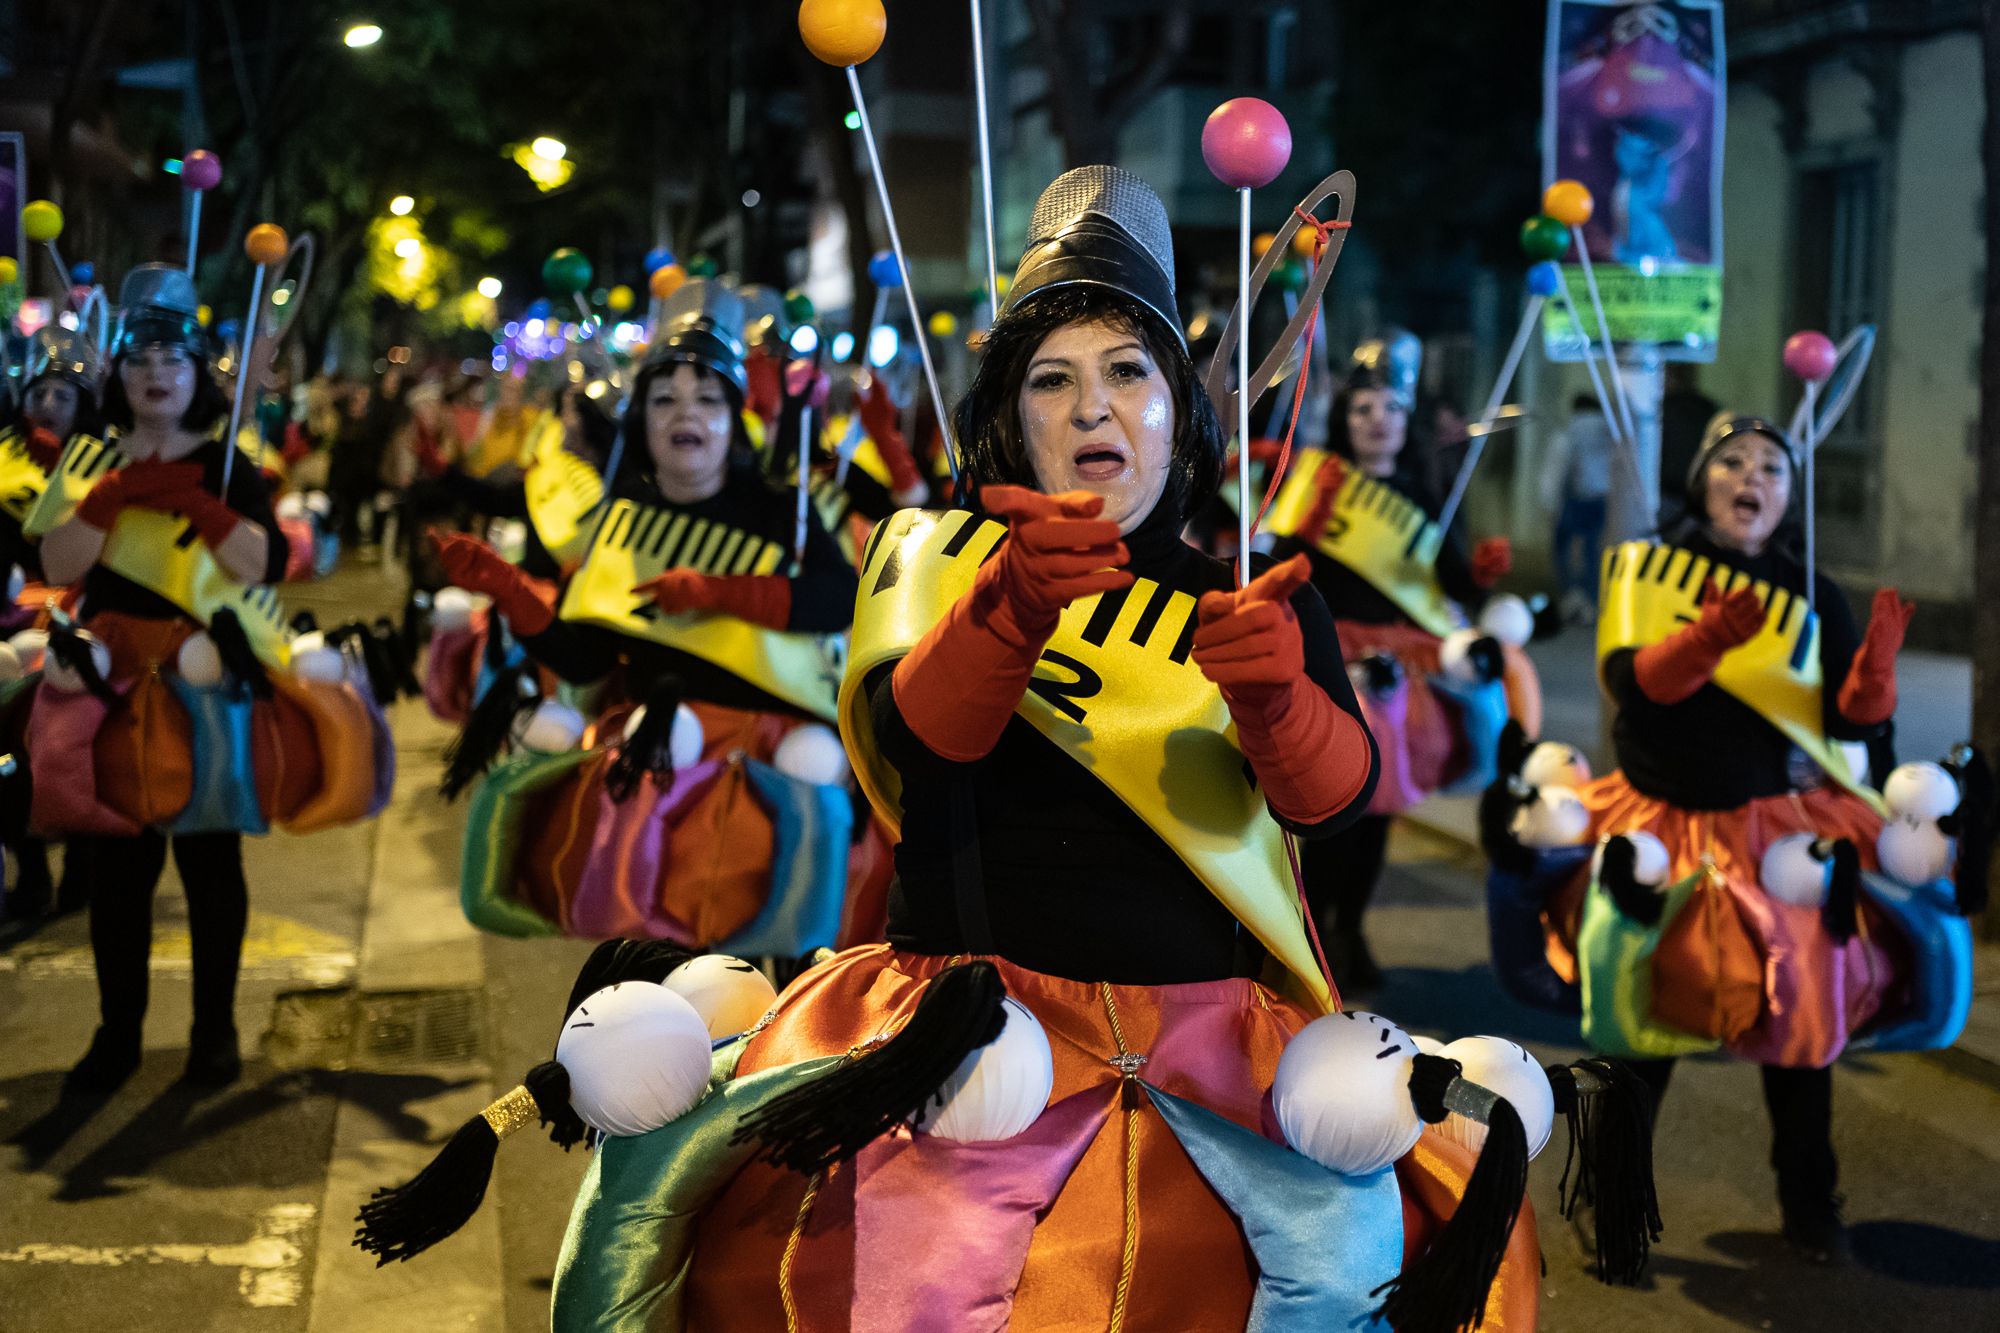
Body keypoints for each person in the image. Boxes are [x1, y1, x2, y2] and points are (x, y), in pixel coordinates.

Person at [551, 167, 1542, 1332]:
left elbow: (1330, 804)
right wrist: (1007, 611)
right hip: (966, 1031)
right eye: (1052, 380)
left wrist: (1278, 697)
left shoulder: (1251, 594)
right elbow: (925, 747)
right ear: (1008, 420)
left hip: (1203, 1048)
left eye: (1128, 373)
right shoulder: (947, 560)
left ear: (1179, 408)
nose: (1091, 409)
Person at [1493, 413, 1934, 1262]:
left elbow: (1848, 720)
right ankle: (1612, 1198)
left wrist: (1874, 666)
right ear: (1703, 480)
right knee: (1642, 1030)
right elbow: (1636, 684)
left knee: (1802, 1024)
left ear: (1787, 495)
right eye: (1733, 460)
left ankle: (1811, 1203)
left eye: (1773, 465)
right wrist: (1705, 639)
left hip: (1776, 833)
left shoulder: (1810, 588)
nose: (1753, 475)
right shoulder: (1647, 570)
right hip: (1667, 825)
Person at [432, 279, 863, 950]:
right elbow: (586, 659)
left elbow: (841, 599)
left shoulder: (784, 511)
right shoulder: (620, 522)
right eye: (663, 398)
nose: (683, 413)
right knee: (647, 951)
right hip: (657, 757)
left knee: (775, 953)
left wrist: (721, 592)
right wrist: (512, 591)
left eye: (706, 398)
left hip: (771, 757)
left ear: (733, 415)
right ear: (643, 421)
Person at [34, 264, 290, 1093]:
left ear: (196, 377)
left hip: (203, 681)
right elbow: (52, 559)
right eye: (140, 360)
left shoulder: (224, 468)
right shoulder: (88, 459)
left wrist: (204, 508)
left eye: (172, 362)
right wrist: (111, 496)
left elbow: (264, 565)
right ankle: (117, 1035)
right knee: (118, 871)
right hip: (112, 683)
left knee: (211, 866)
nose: (155, 375)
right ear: (119, 374)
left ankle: (214, 1031)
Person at [1263, 348, 1529, 992]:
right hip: (1335, 659)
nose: (1378, 420)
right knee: (1335, 805)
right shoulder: (1320, 484)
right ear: (1344, 419)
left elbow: (1445, 580)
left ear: (1408, 420)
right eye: (1363, 408)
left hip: (1402, 671)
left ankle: (1350, 927)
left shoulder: (1424, 494)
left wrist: (1481, 573)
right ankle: (1316, 935)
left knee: (1379, 808)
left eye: (1390, 408)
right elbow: (1282, 563)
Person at [1541, 392, 1615, 623]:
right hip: (1602, 499)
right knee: (1592, 551)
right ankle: (1591, 602)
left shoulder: (1571, 431)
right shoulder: (1608, 430)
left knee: (1562, 547)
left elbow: (1557, 468)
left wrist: (1551, 503)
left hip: (1576, 498)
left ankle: (1573, 595)